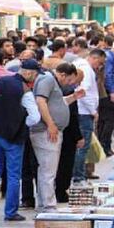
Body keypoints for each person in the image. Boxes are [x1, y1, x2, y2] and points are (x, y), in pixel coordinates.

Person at [0, 60, 42, 221]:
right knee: (14, 175)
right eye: (35, 75)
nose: (35, 79)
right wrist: (23, 124)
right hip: (14, 138)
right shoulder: (25, 91)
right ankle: (10, 212)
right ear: (29, 73)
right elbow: (35, 118)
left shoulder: (1, 81)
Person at [31, 63, 79, 212]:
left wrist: (73, 97)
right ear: (63, 74)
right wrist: (50, 124)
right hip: (47, 131)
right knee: (49, 169)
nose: (69, 83)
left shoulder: (53, 83)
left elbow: (56, 103)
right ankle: (49, 204)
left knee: (46, 168)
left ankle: (44, 201)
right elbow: (41, 101)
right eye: (69, 80)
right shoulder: (48, 80)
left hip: (51, 130)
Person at [72, 49, 105, 182]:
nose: (100, 67)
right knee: (82, 145)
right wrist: (93, 111)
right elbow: (82, 92)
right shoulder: (86, 70)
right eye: (100, 63)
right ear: (95, 58)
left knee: (80, 145)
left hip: (81, 110)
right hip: (84, 112)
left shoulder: (79, 64)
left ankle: (78, 173)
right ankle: (78, 176)